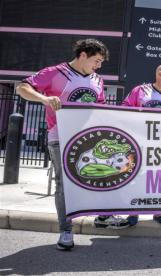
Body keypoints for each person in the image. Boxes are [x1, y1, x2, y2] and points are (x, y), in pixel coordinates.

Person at [16, 38, 123, 250]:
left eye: (101, 62)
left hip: (89, 139)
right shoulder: (55, 72)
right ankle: (66, 230)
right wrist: (45, 99)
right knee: (64, 184)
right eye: (97, 60)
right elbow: (22, 87)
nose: (99, 65)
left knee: (103, 175)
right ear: (83, 55)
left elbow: (99, 108)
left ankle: (102, 216)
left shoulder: (97, 80)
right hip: (60, 136)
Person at [95, 64, 161, 228]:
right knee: (137, 180)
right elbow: (124, 109)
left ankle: (158, 212)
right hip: (138, 145)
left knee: (160, 181)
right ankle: (134, 211)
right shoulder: (139, 91)